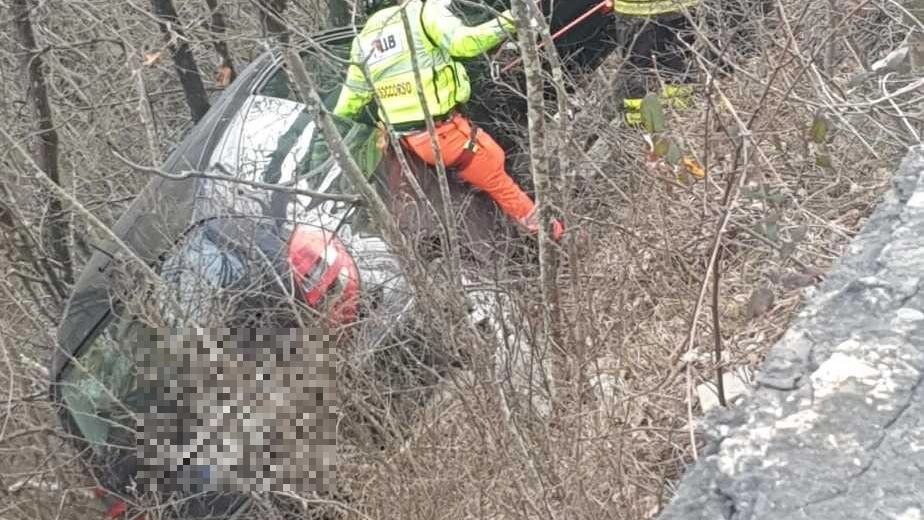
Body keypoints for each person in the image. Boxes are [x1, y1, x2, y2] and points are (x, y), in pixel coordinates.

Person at [332, 0, 565, 242]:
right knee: (496, 170)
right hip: (444, 134)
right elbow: (466, 43)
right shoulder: (420, 15)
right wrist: (513, 18)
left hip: (410, 144)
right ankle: (554, 236)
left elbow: (348, 103)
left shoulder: (364, 41)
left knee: (481, 175)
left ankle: (508, 229)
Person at [613, 0, 702, 125]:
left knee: (675, 62)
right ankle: (640, 126)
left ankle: (683, 120)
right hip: (636, 11)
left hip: (674, 8)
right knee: (640, 67)